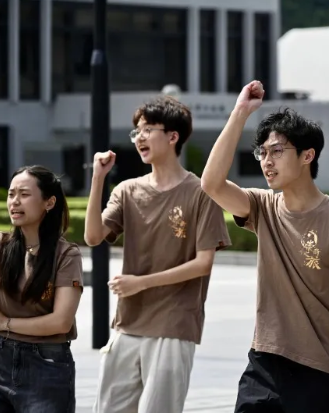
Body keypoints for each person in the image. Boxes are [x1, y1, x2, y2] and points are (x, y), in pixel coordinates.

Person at [200, 81, 329, 413]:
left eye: (276, 151)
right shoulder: (263, 207)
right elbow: (211, 184)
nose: (266, 161)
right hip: (263, 362)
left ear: (307, 156)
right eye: (262, 153)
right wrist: (240, 113)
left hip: (320, 371)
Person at [84, 95, 232, 413]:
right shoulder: (127, 190)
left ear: (173, 136)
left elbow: (203, 264)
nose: (139, 137)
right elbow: (93, 236)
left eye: (148, 130)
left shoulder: (201, 193)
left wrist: (141, 283)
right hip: (128, 321)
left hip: (174, 325)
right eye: (136, 131)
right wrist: (98, 178)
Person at [0, 166, 83, 412]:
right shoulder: (0, 245)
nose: (15, 201)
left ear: (49, 202)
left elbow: (61, 322)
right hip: (0, 362)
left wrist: (5, 323)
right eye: (11, 194)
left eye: (24, 194)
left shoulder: (66, 255)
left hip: (48, 367)